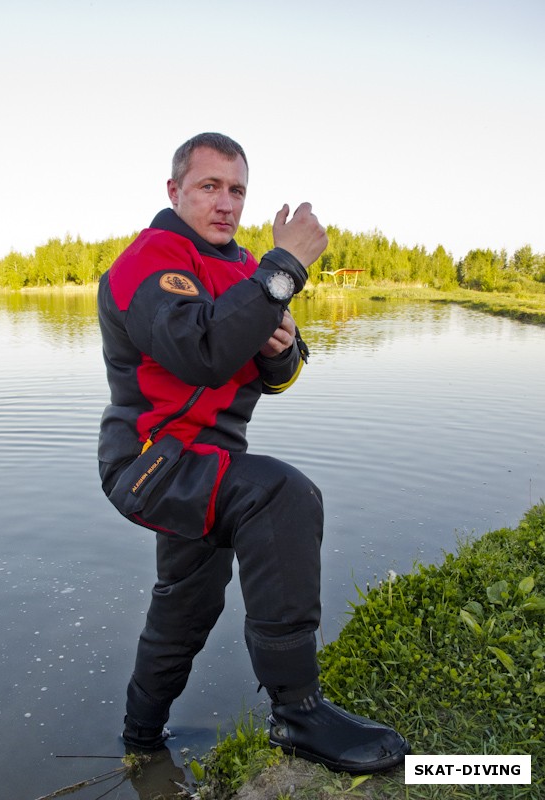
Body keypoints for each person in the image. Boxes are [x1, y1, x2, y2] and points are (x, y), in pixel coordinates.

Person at [97, 132, 410, 774]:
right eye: (209, 186)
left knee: (189, 601)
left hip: (209, 466)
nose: (225, 203)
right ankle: (297, 714)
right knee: (281, 494)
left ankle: (139, 742)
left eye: (236, 189)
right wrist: (285, 268)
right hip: (151, 465)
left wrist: (282, 349)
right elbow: (201, 353)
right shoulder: (149, 261)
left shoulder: (246, 271)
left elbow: (280, 374)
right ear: (174, 190)